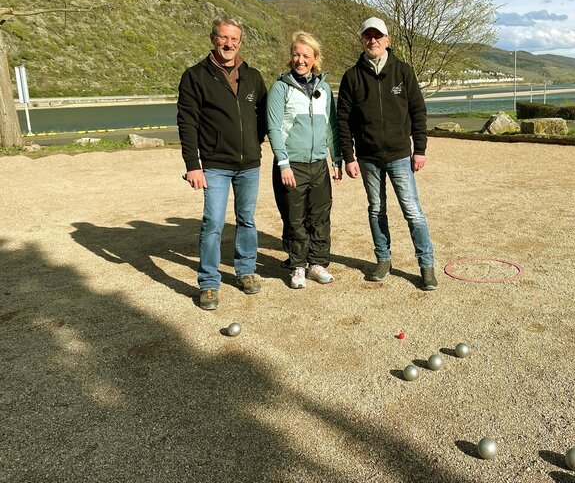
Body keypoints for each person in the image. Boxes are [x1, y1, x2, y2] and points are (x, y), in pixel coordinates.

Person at [337, 17, 437, 291]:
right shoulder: (352, 77)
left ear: (387, 40)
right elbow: (342, 120)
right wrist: (349, 156)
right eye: (368, 36)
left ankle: (426, 265)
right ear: (362, 41)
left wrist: (420, 149)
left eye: (378, 36)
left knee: (413, 212)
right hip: (368, 157)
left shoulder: (403, 71)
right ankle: (383, 259)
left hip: (400, 156)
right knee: (376, 209)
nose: (373, 41)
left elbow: (418, 111)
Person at [177, 16, 267, 310]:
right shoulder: (195, 76)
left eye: (235, 39)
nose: (229, 44)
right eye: (223, 38)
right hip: (214, 164)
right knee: (213, 222)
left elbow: (264, 117)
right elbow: (187, 123)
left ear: (240, 42)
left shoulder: (253, 76)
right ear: (213, 38)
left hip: (249, 164)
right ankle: (209, 283)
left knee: (247, 220)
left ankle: (245, 271)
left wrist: (255, 143)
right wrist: (193, 164)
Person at [266, 31, 342, 289]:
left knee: (320, 216)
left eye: (306, 55)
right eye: (296, 54)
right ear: (291, 57)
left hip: (319, 164)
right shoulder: (280, 88)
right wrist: (283, 163)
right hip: (292, 166)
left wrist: (337, 159)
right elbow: (274, 128)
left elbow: (331, 126)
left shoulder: (324, 89)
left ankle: (317, 263)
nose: (300, 60)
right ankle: (298, 266)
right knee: (295, 218)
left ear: (315, 59)